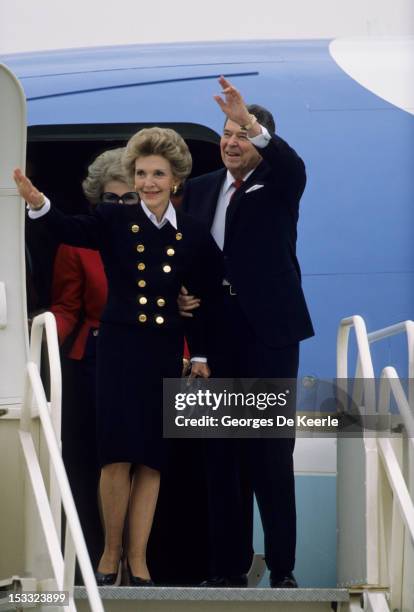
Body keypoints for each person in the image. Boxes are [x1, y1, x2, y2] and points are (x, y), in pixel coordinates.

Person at [14, 127, 222, 586]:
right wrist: (37, 203)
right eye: (141, 173)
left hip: (163, 350)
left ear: (175, 181)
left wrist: (200, 348)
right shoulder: (114, 221)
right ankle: (110, 556)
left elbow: (207, 291)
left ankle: (139, 559)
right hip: (120, 348)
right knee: (117, 456)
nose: (147, 182)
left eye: (157, 174)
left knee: (152, 459)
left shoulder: (192, 233)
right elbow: (68, 228)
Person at [181, 76, 314, 588]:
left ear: (258, 140)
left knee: (270, 452)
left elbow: (291, 163)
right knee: (220, 454)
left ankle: (282, 570)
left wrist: (253, 122)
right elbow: (184, 253)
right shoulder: (198, 190)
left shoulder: (280, 181)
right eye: (226, 131)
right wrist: (178, 295)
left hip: (268, 335)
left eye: (242, 133)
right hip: (216, 334)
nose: (231, 141)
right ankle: (228, 569)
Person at [50, 147, 131, 574]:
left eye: (128, 199)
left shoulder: (161, 239)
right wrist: (37, 341)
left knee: (145, 465)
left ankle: (138, 563)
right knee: (91, 463)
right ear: (98, 201)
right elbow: (67, 308)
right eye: (111, 200)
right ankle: (94, 561)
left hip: (147, 355)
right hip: (93, 360)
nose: (119, 208)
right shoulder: (77, 244)